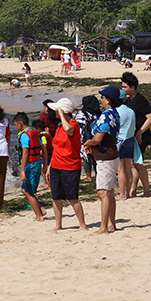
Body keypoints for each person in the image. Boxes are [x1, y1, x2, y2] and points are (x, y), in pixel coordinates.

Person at [46, 98, 88, 232]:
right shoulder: (59, 127)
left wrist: (62, 115)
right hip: (56, 165)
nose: (55, 113)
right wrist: (49, 167)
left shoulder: (73, 124)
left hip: (70, 166)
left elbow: (69, 129)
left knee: (72, 197)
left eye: (57, 110)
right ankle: (58, 224)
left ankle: (82, 225)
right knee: (56, 197)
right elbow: (56, 148)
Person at [84, 87, 121, 235]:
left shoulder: (106, 116)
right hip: (111, 154)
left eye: (103, 97)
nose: (101, 100)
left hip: (105, 156)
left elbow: (98, 138)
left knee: (103, 192)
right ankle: (111, 224)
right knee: (109, 191)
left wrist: (89, 142)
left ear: (108, 99)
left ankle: (104, 227)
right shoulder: (114, 114)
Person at [121, 72, 151, 197]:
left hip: (141, 136)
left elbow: (150, 118)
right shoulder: (129, 100)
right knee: (133, 164)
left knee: (138, 164)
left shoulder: (140, 100)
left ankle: (146, 191)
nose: (123, 89)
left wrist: (140, 132)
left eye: (125, 87)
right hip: (133, 136)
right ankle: (133, 190)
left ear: (132, 87)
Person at [13, 112, 45, 221]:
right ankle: (41, 211)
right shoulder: (34, 132)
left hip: (30, 165)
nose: (16, 128)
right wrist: (44, 164)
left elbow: (25, 152)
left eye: (16, 125)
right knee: (24, 189)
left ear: (20, 123)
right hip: (37, 163)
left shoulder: (25, 135)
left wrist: (22, 171)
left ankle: (39, 216)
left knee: (29, 191)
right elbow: (43, 148)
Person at [114, 89, 137, 202]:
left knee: (120, 170)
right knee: (128, 169)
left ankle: (122, 194)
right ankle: (128, 192)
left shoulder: (116, 111)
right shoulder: (130, 111)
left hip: (120, 140)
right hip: (130, 140)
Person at [74, 95, 102, 182]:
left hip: (85, 138)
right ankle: (98, 175)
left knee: (86, 158)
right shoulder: (98, 112)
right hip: (97, 137)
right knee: (96, 158)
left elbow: (79, 126)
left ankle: (88, 177)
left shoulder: (82, 113)